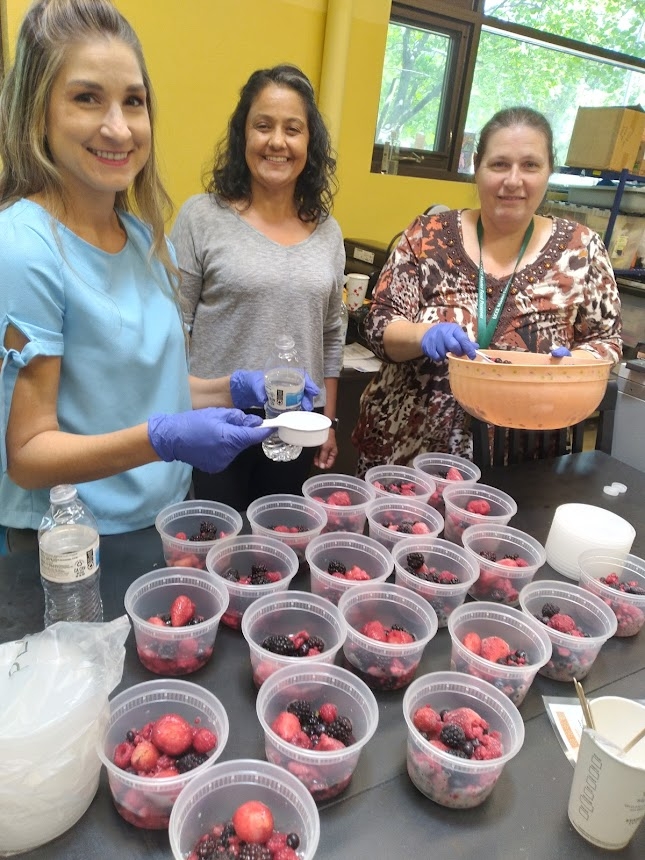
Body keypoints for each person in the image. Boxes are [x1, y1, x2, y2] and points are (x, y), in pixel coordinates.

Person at [0, 0, 284, 545]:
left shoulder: (147, 242)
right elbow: (28, 456)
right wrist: (164, 440)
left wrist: (231, 390)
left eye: (134, 101)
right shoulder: (23, 247)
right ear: (38, 112)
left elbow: (146, 395)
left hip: (165, 522)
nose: (118, 127)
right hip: (72, 544)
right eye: (87, 98)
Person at [352, 106, 622, 475]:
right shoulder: (426, 236)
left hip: (522, 456)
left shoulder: (582, 249)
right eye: (499, 164)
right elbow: (377, 323)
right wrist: (422, 333)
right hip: (407, 453)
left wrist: (580, 362)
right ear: (477, 167)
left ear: (549, 171)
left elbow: (606, 340)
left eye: (530, 165)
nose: (513, 180)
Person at [170, 63, 345, 511]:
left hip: (294, 424)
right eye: (262, 126)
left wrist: (327, 418)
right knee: (214, 547)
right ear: (242, 135)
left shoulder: (328, 232)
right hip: (213, 421)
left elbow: (330, 333)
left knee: (276, 548)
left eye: (293, 129)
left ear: (310, 142)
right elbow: (175, 325)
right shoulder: (201, 217)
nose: (277, 142)